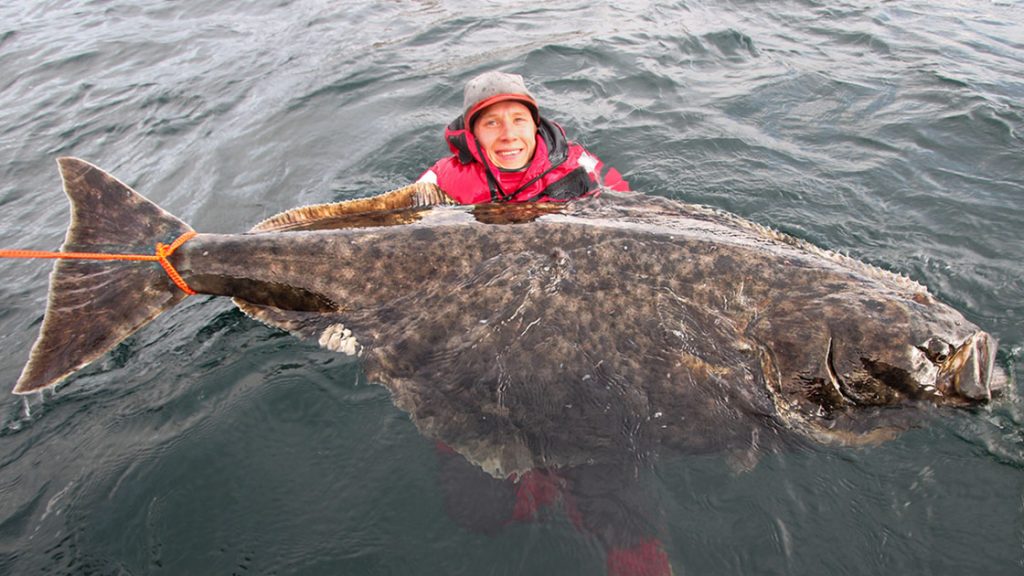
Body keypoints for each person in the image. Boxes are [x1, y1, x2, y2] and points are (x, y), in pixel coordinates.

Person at [417, 70, 630, 203]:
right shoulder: (440, 180)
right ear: (473, 134)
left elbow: (623, 204)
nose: (508, 135)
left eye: (519, 120)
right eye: (492, 123)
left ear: (534, 126)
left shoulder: (578, 163)